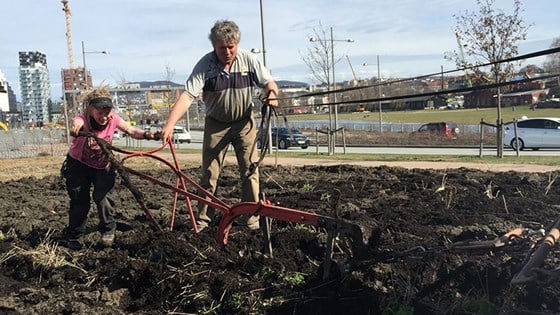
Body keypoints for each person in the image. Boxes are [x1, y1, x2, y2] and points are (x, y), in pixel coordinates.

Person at [161, 20, 279, 231]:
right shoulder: (205, 66)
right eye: (222, 47)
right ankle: (204, 220)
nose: (227, 52)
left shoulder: (248, 60)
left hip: (244, 123)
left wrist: (272, 94)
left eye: (231, 47)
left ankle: (251, 218)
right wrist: (170, 125)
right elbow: (187, 96)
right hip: (216, 125)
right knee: (209, 174)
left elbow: (269, 82)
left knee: (250, 171)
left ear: (237, 43)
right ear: (214, 46)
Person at [61, 86, 156, 250]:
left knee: (104, 198)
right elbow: (76, 124)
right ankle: (75, 237)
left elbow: (131, 130)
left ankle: (108, 231)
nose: (105, 117)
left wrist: (148, 135)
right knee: (79, 202)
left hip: (102, 165)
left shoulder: (114, 120)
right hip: (78, 165)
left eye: (108, 112)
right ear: (91, 110)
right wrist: (76, 129)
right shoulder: (82, 119)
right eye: (100, 113)